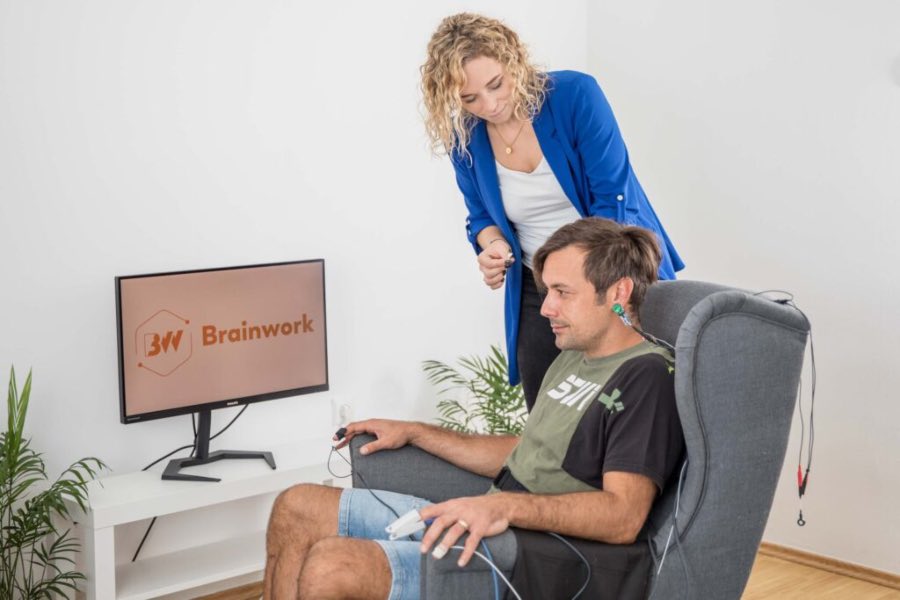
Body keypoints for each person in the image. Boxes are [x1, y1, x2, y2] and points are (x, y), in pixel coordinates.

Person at [262, 217, 684, 600]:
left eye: (562, 292)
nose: (546, 308)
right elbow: (528, 450)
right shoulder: (576, 353)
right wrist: (417, 432)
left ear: (618, 292)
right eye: (547, 291)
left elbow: (623, 516)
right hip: (493, 522)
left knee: (331, 567)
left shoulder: (646, 376)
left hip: (537, 557)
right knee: (296, 507)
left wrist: (504, 507)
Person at [420, 13, 685, 411]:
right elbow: (480, 217)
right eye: (469, 98)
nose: (489, 105)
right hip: (536, 286)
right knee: (548, 412)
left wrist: (585, 282)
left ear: (514, 61)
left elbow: (611, 198)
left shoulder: (575, 96)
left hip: (613, 271)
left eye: (496, 84)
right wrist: (493, 247)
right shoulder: (465, 139)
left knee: (637, 405)